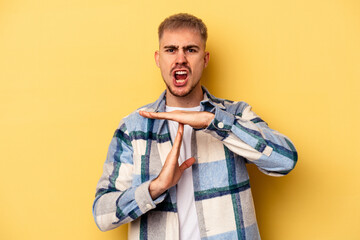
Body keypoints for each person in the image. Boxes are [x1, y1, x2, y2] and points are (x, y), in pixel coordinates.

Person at [92, 13, 297, 240]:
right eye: (171, 50)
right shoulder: (134, 128)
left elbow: (285, 160)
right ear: (158, 59)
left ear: (205, 58)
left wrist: (215, 123)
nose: (180, 58)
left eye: (190, 49)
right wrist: (156, 187)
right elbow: (102, 214)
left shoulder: (235, 114)